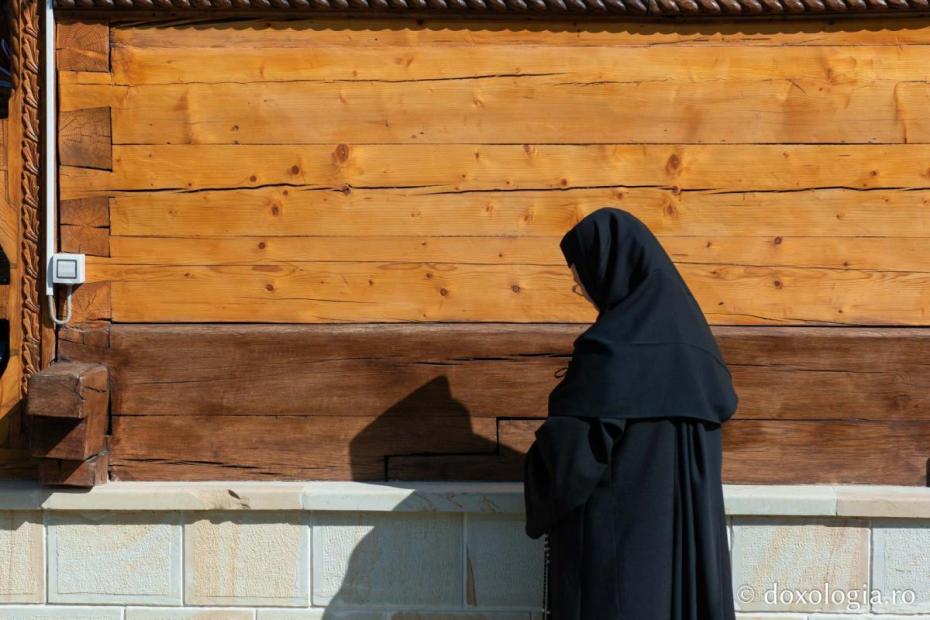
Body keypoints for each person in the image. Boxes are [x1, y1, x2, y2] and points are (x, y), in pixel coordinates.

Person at [523, 207, 739, 619]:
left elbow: (571, 464)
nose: (582, 290)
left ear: (610, 269)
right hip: (687, 552)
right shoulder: (699, 351)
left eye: (580, 278)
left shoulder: (609, 353)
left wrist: (541, 457)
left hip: (619, 559)